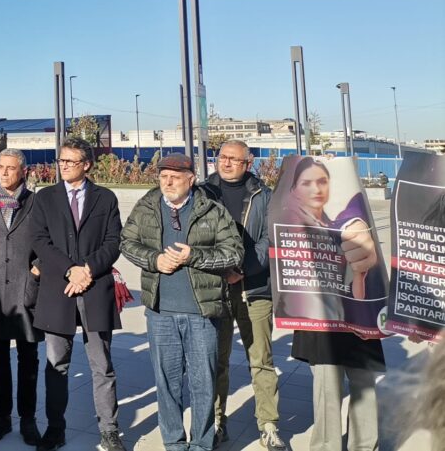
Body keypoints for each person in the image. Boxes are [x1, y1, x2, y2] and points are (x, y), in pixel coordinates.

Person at [120, 153, 242, 451]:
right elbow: (127, 242)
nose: (168, 182)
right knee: (167, 384)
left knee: (203, 384)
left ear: (191, 178)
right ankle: (173, 442)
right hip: (160, 312)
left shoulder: (212, 210)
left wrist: (193, 256)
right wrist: (154, 260)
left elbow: (234, 253)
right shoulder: (147, 207)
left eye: (175, 176)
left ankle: (201, 444)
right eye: (163, 176)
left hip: (202, 312)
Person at [29, 137, 126, 451]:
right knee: (56, 364)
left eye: (70, 161)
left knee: (102, 366)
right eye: (61, 160)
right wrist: (70, 269)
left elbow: (114, 241)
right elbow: (39, 240)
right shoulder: (45, 197)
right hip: (58, 289)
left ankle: (109, 431)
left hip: (95, 289)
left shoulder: (105, 198)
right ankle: (55, 429)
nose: (63, 166)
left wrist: (88, 269)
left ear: (87, 165)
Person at [200, 140, 285, 450]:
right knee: (216, 360)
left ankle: (268, 425)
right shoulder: (203, 192)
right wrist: (222, 270)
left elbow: (269, 239)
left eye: (234, 159)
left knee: (261, 360)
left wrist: (243, 269)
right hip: (216, 289)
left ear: (248, 163)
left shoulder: (263, 195)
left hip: (255, 289)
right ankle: (217, 422)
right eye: (222, 157)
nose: (226, 163)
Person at [0, 148, 43, 446]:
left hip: (26, 290)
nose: (4, 173)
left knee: (29, 358)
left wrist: (38, 270)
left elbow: (50, 241)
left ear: (23, 171)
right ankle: (2, 416)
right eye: (0, 167)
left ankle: (28, 419)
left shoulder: (37, 203)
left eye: (11, 168)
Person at [280, 158, 385, 325]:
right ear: (294, 190)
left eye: (322, 181)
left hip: (345, 322)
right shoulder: (286, 226)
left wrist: (356, 222)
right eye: (306, 183)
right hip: (311, 322)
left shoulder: (341, 229)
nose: (316, 189)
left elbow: (353, 208)